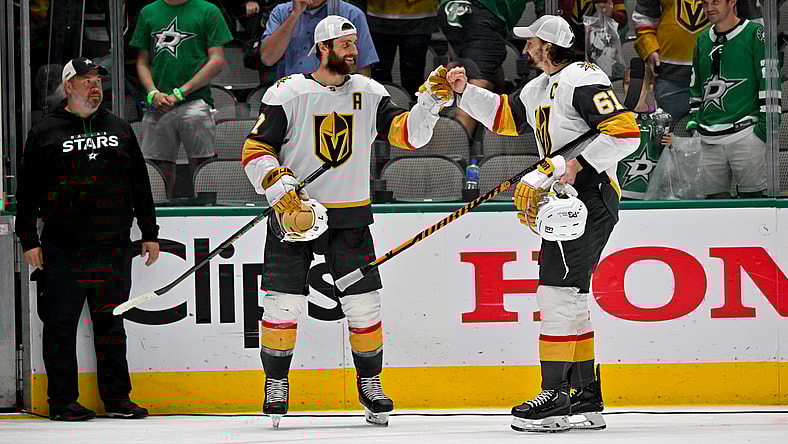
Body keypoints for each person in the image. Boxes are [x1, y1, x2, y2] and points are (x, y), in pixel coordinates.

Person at [241, 15, 450, 428]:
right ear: (323, 49)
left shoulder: (370, 92)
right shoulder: (288, 92)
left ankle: (371, 384)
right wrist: (279, 186)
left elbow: (408, 136)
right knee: (283, 303)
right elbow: (255, 149)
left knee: (363, 304)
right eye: (345, 44)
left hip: (350, 217)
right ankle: (276, 383)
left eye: (355, 43)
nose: (354, 51)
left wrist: (429, 104)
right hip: (294, 216)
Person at [445, 15, 639, 432]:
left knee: (556, 294)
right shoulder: (540, 86)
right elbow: (505, 117)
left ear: (549, 46)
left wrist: (577, 164)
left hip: (591, 195)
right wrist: (463, 92)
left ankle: (554, 397)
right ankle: (585, 396)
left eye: (531, 42)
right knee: (570, 299)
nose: (526, 49)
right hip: (568, 198)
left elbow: (626, 132)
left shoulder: (582, 77)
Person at [14, 57, 161, 421]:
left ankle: (117, 399)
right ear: (68, 87)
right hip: (63, 247)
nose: (94, 86)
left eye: (97, 80)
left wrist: (149, 232)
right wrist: (29, 238)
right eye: (86, 81)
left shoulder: (120, 127)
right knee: (60, 326)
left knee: (112, 325)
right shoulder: (45, 132)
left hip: (112, 245)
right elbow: (28, 191)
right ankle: (62, 402)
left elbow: (140, 184)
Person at [130, 0, 233, 199]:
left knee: (204, 164)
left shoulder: (208, 10)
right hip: (158, 104)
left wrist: (181, 92)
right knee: (156, 167)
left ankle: (207, 210)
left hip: (196, 100)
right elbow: (142, 61)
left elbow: (217, 60)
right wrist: (153, 93)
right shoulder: (148, 11)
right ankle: (158, 210)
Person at [688, 0, 778, 199]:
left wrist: (764, 130)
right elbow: (695, 87)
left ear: (732, 1)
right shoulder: (702, 39)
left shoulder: (756, 34)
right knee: (713, 210)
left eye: (716, 1)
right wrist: (694, 125)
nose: (709, 7)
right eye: (705, 3)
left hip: (747, 134)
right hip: (707, 137)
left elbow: (770, 83)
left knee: (755, 206)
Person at [437, 0, 529, 138]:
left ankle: (489, 133)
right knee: (480, 81)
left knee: (483, 67)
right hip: (480, 14)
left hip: (451, 10)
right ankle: (457, 150)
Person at [260, 0, 379, 80]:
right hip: (291, 93)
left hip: (337, 94)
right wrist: (295, 14)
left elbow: (363, 67)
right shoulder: (281, 12)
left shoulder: (351, 14)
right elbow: (268, 58)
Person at [632, 0, 708, 123]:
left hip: (717, 72)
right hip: (669, 74)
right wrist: (649, 49)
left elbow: (747, 19)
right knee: (665, 133)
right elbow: (644, 17)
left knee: (718, 136)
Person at [366, 0, 439, 98]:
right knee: (380, 76)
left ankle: (416, 110)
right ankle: (382, 109)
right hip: (378, 18)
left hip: (419, 18)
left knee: (413, 78)